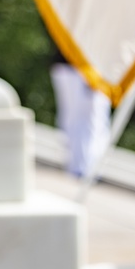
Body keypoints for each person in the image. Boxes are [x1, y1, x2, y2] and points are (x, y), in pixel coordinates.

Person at [49, 50, 111, 178]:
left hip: (79, 70)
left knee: (79, 121)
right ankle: (81, 168)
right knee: (85, 122)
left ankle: (82, 167)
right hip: (82, 71)